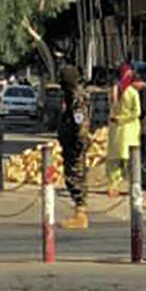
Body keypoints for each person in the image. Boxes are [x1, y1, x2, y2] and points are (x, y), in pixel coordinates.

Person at [55, 64, 91, 229]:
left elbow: (80, 122)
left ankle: (80, 214)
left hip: (75, 143)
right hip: (70, 141)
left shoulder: (77, 98)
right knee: (74, 174)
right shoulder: (71, 95)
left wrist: (77, 140)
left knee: (75, 175)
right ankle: (79, 212)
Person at [106, 63, 143, 196]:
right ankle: (133, 187)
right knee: (130, 160)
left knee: (113, 160)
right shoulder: (132, 92)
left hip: (115, 129)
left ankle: (113, 186)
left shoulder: (113, 90)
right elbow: (137, 112)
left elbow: (110, 109)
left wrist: (117, 118)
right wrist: (125, 118)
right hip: (130, 130)